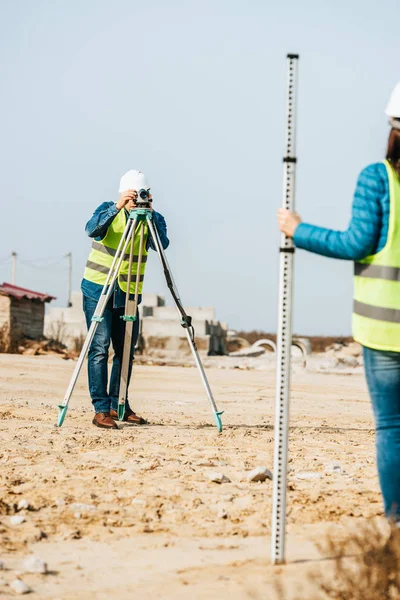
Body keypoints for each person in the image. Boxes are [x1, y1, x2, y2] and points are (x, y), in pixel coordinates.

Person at [278, 82, 400, 520]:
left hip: (384, 331)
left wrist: (298, 229)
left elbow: (356, 242)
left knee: (392, 427)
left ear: (393, 125)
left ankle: (398, 524)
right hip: (382, 332)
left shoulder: (378, 178)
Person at [81, 170, 169, 430]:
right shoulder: (109, 209)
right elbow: (91, 229)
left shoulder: (152, 218)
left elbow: (160, 245)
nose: (138, 199)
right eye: (134, 195)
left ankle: (120, 404)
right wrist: (119, 207)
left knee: (126, 351)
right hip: (99, 289)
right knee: (99, 350)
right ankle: (101, 409)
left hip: (128, 293)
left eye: (142, 195)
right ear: (124, 193)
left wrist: (150, 215)